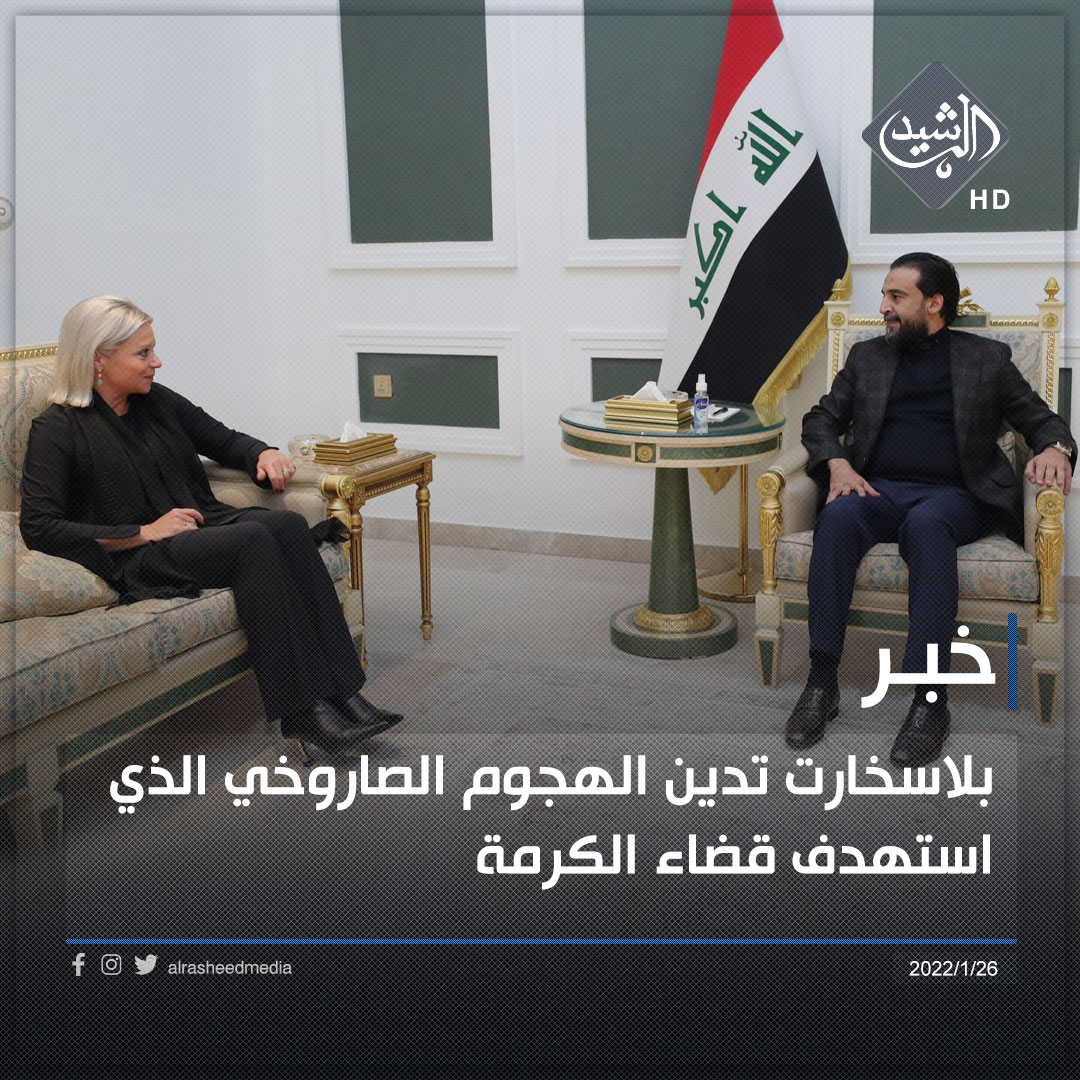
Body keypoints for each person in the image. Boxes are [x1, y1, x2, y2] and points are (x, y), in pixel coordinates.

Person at [20, 295, 403, 756]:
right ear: (98, 359)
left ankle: (345, 692)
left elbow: (221, 439)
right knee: (253, 537)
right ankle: (303, 711)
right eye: (143, 353)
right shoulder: (57, 429)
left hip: (197, 526)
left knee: (284, 525)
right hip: (139, 553)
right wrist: (143, 532)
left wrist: (262, 452)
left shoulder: (155, 401)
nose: (156, 362)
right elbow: (39, 526)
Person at [787, 253, 1074, 766]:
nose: (884, 307)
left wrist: (1057, 449)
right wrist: (838, 464)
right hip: (877, 489)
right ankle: (822, 682)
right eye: (885, 295)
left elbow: (1042, 420)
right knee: (838, 517)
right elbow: (820, 419)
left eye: (896, 297)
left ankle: (930, 700)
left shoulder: (986, 359)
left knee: (926, 525)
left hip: (954, 496)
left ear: (935, 303)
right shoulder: (867, 358)